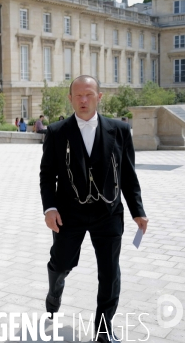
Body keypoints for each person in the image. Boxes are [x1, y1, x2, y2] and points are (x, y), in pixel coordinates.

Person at [40, 75, 149, 343]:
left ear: (100, 97)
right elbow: (47, 175)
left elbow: (128, 175)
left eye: (89, 94)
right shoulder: (56, 132)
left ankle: (103, 329)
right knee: (62, 261)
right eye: (78, 95)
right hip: (69, 213)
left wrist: (138, 210)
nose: (83, 100)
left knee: (110, 272)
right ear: (70, 99)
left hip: (108, 213)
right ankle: (55, 289)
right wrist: (50, 208)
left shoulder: (119, 130)